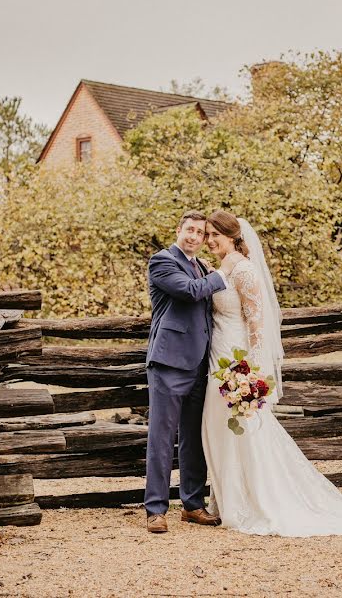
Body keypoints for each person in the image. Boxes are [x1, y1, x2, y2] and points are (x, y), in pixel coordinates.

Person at [200, 210, 342, 536]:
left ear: (232, 235)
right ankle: (226, 499)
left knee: (245, 430)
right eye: (207, 235)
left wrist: (255, 371)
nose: (209, 241)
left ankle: (255, 501)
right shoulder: (222, 268)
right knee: (221, 428)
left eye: (213, 235)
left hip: (238, 361)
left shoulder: (244, 270)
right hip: (218, 355)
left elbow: (257, 324)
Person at [143, 210, 236, 534]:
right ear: (179, 230)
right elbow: (189, 291)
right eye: (191, 230)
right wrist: (224, 272)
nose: (196, 237)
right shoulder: (162, 261)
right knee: (162, 438)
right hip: (169, 362)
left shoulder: (200, 265)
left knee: (194, 437)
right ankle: (155, 510)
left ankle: (192, 505)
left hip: (200, 363)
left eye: (201, 232)